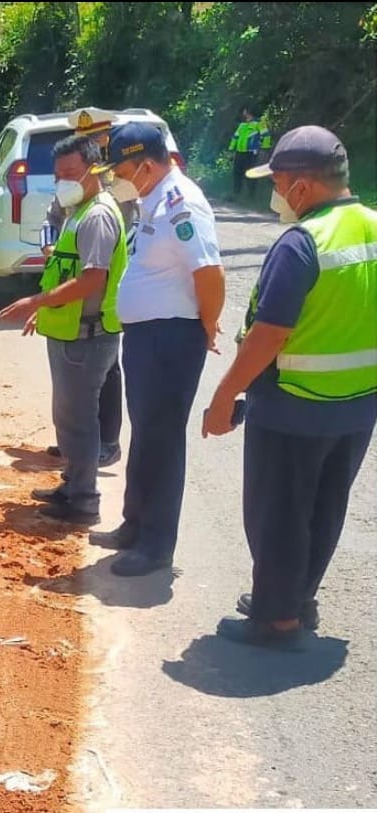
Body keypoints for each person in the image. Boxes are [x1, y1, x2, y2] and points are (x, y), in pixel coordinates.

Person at [202, 126, 376, 649]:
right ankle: (298, 598)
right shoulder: (371, 227)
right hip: (357, 405)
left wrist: (223, 395)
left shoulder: (304, 243)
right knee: (325, 509)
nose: (274, 193)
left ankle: (277, 619)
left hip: (293, 406)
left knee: (277, 513)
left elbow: (268, 336)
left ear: (301, 186)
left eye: (277, 181)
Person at [90, 123, 226, 577]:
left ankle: (156, 546)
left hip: (173, 338)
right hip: (150, 338)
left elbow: (209, 273)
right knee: (145, 435)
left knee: (163, 441)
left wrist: (207, 324)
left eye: (122, 168)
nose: (117, 178)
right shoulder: (152, 198)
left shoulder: (180, 203)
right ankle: (135, 525)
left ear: (146, 164)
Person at [0, 134, 128, 525]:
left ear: (94, 170)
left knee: (79, 422)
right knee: (69, 419)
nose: (62, 182)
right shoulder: (78, 208)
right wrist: (47, 309)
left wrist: (35, 302)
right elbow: (65, 269)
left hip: (87, 337)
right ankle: (71, 487)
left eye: (70, 173)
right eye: (58, 175)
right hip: (71, 331)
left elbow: (92, 280)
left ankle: (83, 501)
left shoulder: (98, 215)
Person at [41, 107, 133, 468]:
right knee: (76, 395)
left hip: (106, 296)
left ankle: (104, 443)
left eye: (98, 136)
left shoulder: (117, 186)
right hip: (72, 295)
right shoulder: (70, 189)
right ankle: (77, 448)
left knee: (106, 378)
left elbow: (133, 233)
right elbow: (51, 221)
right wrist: (49, 248)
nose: (96, 141)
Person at [228, 107, 262, 200]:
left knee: (250, 173)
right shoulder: (242, 125)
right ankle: (236, 193)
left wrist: (263, 147)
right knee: (237, 172)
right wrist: (231, 149)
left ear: (248, 112)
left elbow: (265, 136)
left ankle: (251, 195)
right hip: (240, 152)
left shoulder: (259, 124)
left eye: (245, 111)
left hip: (251, 152)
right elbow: (235, 137)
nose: (244, 113)